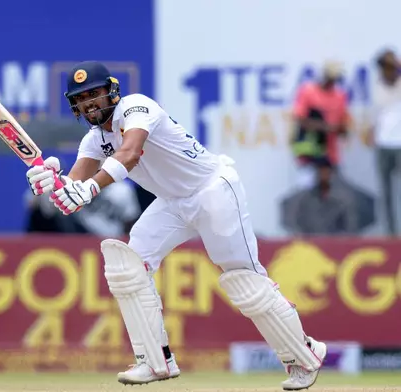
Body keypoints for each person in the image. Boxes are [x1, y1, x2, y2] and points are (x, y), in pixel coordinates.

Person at [25, 61, 326, 389]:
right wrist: (53, 184)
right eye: (81, 99)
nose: (89, 104)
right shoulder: (94, 140)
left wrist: (90, 188)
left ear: (111, 91)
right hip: (172, 203)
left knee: (245, 282)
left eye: (94, 94)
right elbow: (73, 191)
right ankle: (155, 362)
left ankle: (304, 354)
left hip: (212, 190)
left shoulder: (137, 107)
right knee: (127, 266)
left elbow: (130, 153)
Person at [290, 61, 349, 189]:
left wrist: (340, 129)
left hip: (331, 156)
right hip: (310, 154)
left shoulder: (340, 96)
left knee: (333, 195)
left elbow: (343, 126)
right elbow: (300, 119)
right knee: (306, 193)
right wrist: (325, 127)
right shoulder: (308, 92)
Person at [367, 49, 401, 236]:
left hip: (400, 145)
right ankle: (391, 233)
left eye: (390, 67)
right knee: (386, 192)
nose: (386, 71)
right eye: (383, 68)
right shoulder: (378, 87)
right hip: (383, 144)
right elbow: (377, 115)